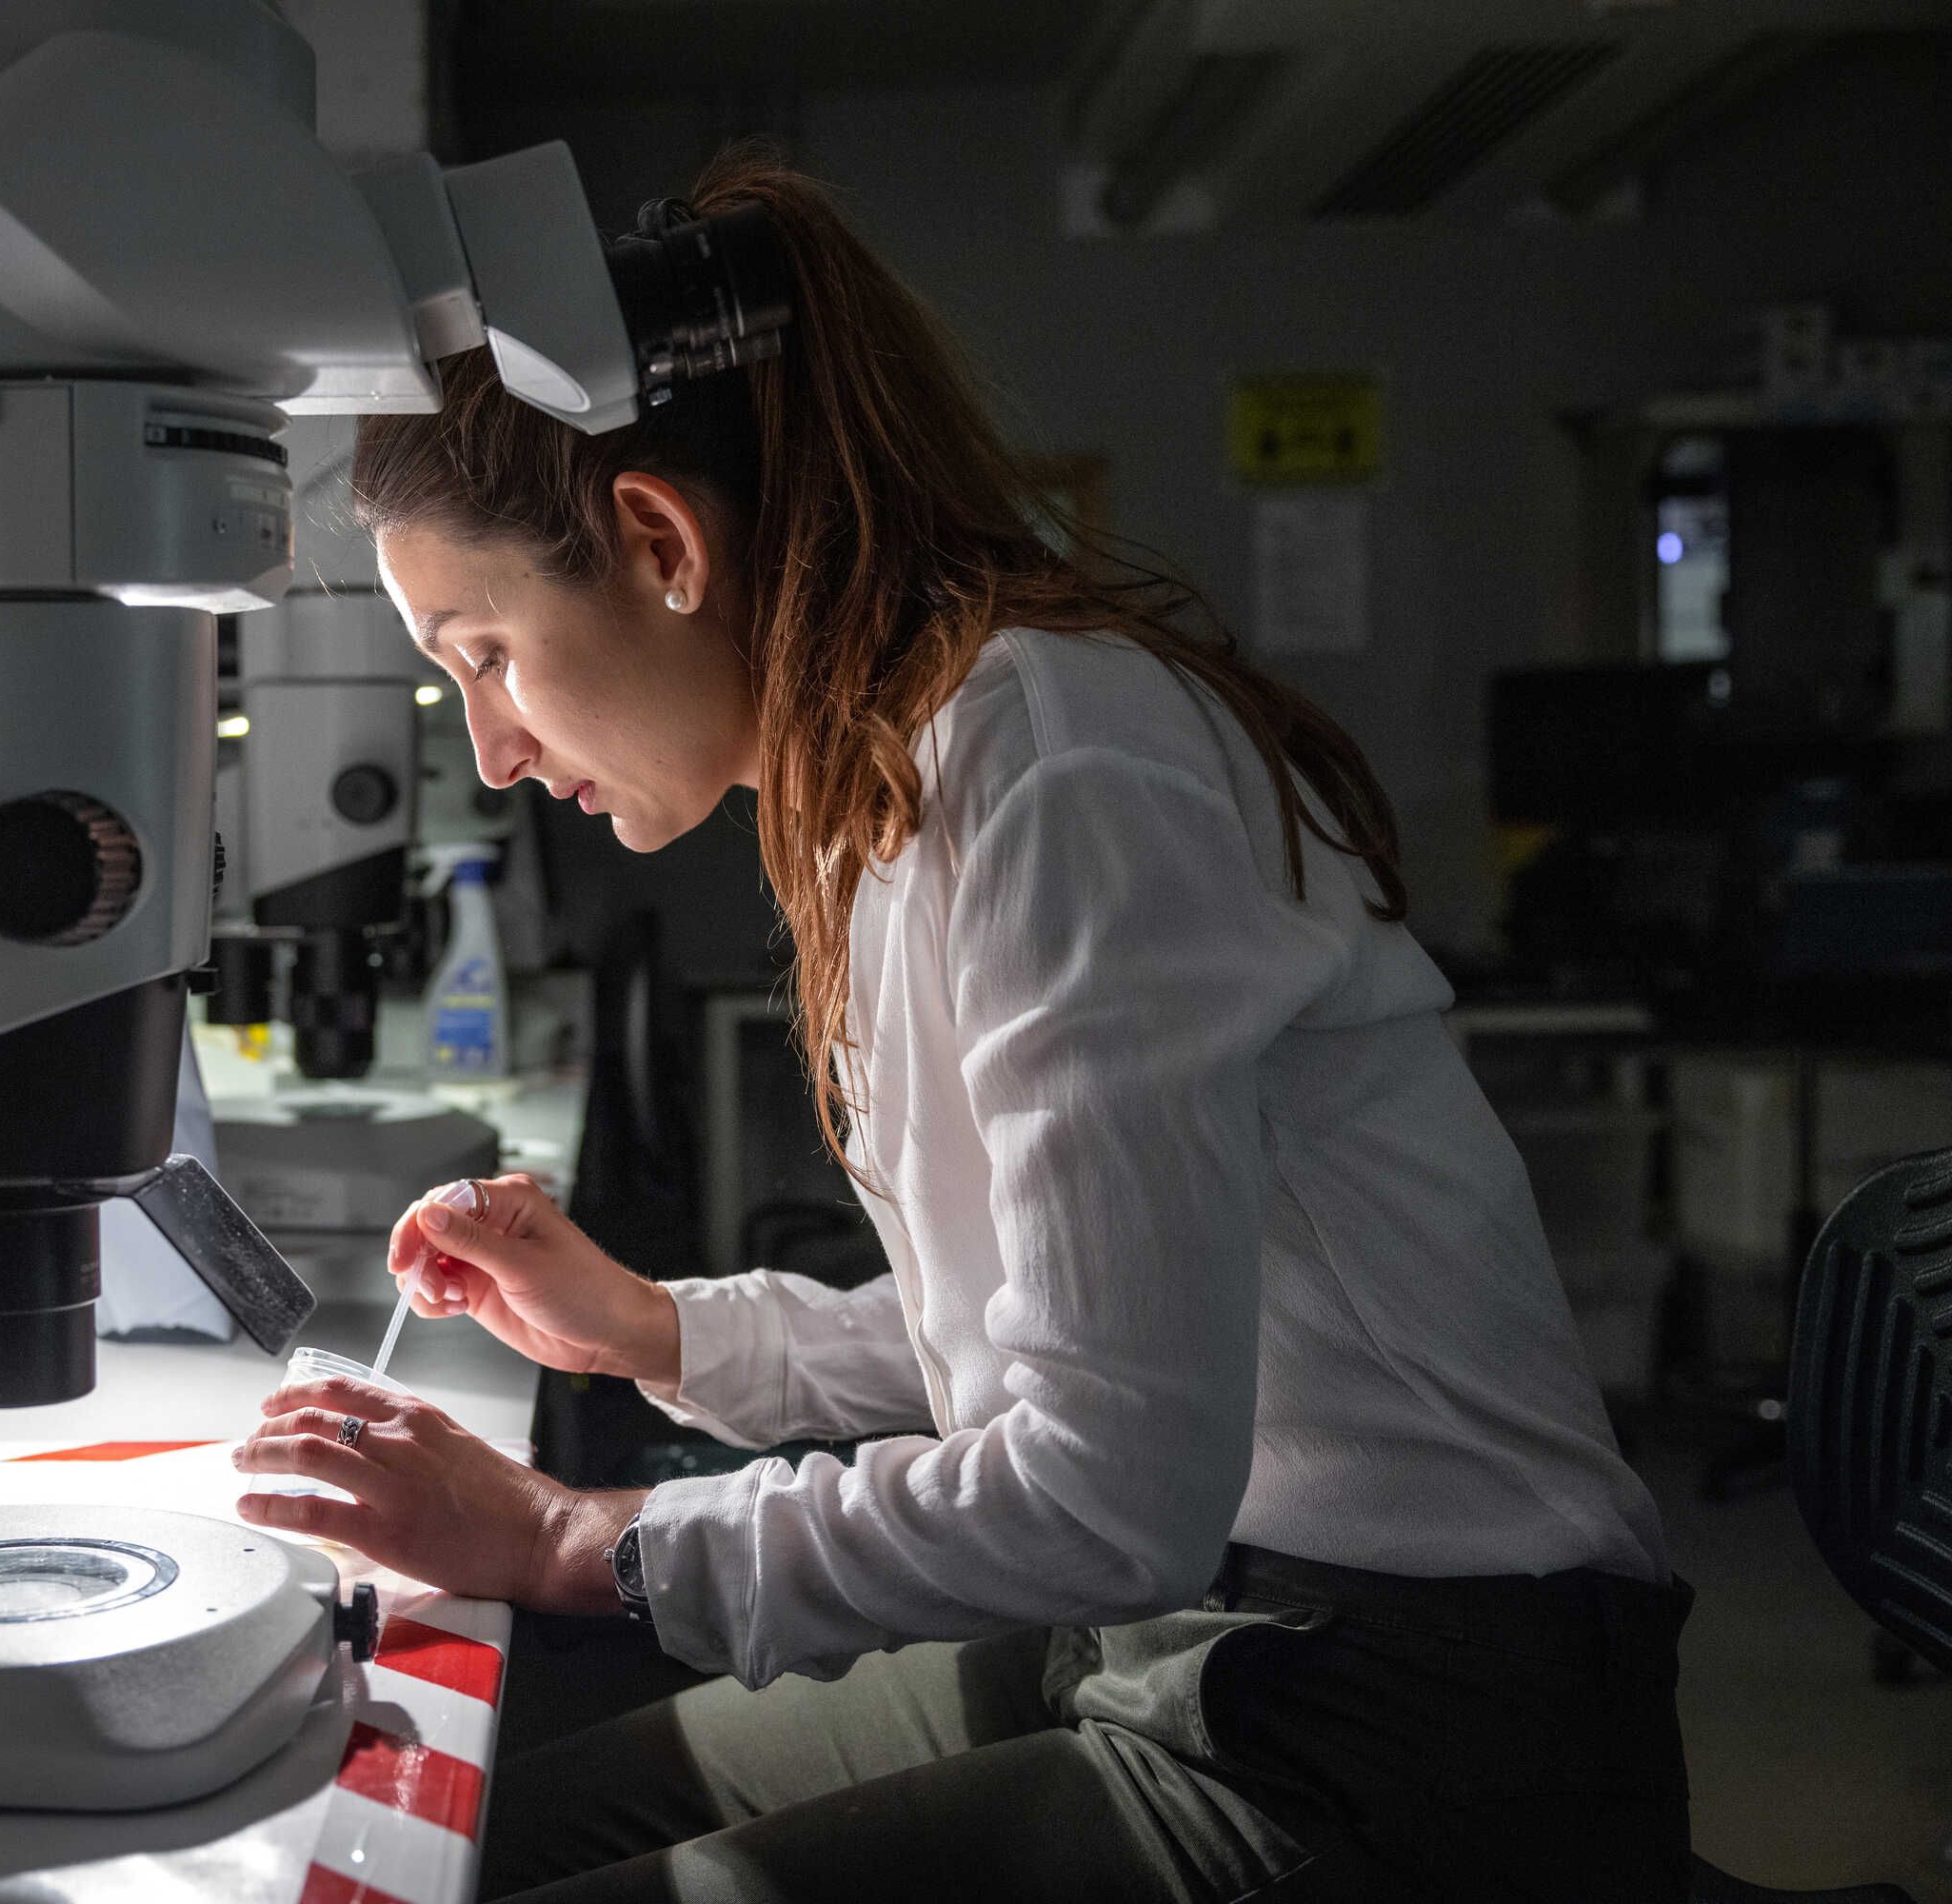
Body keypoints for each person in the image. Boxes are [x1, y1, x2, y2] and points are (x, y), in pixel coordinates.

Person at [232, 149, 1686, 1904]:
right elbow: (1038, 1348)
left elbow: (1101, 1485)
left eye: (483, 651)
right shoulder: (901, 762)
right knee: (466, 1844)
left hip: (1408, 1712)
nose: (491, 750)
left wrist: (568, 1537)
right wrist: (651, 1331)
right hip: (1184, 1619)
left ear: (656, 541)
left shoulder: (1050, 752)